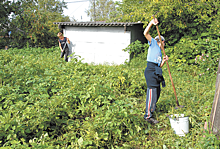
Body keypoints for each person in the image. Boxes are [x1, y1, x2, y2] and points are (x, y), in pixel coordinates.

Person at [143, 18, 169, 124]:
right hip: (150, 70)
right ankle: (147, 116)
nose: (164, 44)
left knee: (157, 92)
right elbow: (145, 33)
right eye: (164, 42)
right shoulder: (153, 43)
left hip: (156, 71)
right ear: (160, 41)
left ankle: (152, 110)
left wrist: (163, 61)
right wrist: (151, 23)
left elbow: (159, 66)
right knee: (152, 92)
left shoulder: (159, 52)